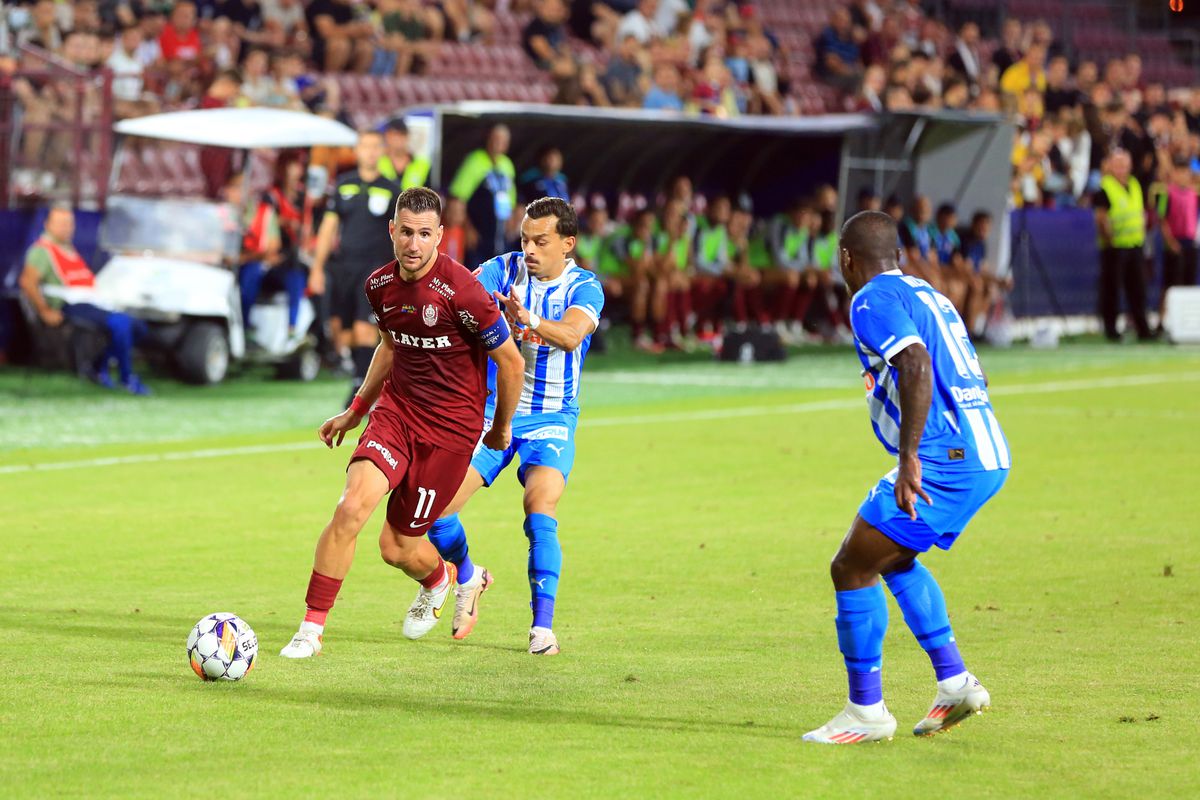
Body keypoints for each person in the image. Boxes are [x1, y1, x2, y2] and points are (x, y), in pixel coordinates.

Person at [279, 187, 525, 659]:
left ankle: (444, 578)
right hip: (397, 414)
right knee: (351, 509)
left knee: (396, 547)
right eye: (406, 232)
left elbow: (511, 363)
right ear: (392, 232)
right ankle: (310, 630)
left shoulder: (465, 293)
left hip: (451, 433)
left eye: (425, 234)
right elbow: (390, 347)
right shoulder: (379, 285)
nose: (414, 243)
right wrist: (355, 411)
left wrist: (500, 429)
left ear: (440, 237)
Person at [804, 210, 1010, 745]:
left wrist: (912, 456)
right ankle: (955, 682)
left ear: (847, 258)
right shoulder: (928, 293)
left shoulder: (870, 300)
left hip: (946, 458)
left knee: (850, 566)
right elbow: (973, 370)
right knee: (893, 558)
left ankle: (865, 712)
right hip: (984, 449)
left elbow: (916, 364)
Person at [412, 197, 605, 656]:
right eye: (525, 239)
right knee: (435, 512)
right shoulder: (503, 269)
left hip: (552, 417)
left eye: (542, 241)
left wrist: (529, 320)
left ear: (568, 244)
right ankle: (468, 574)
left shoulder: (585, 287)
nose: (531, 249)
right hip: (494, 413)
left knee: (540, 508)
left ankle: (542, 628)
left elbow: (573, 334)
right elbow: (458, 295)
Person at [309, 130, 402, 403]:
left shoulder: (392, 189)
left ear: (382, 151)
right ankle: (367, 373)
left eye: (376, 147)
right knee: (341, 331)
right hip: (344, 267)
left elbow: (400, 233)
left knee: (364, 327)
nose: (370, 152)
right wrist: (317, 267)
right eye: (365, 146)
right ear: (357, 151)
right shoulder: (342, 185)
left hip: (375, 268)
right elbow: (328, 228)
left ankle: (361, 388)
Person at [18, 205, 151, 395]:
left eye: (69, 224)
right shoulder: (42, 251)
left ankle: (97, 367)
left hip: (91, 301)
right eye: (61, 224)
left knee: (138, 327)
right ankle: (126, 378)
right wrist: (45, 310)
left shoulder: (68, 248)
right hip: (70, 305)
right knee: (122, 324)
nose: (66, 228)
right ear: (48, 225)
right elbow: (27, 282)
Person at [1093, 149, 1153, 341]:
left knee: (1138, 289)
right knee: (1112, 289)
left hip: (1135, 244)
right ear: (1110, 166)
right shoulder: (1105, 188)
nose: (1121, 169)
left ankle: (1143, 328)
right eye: (1117, 164)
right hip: (1115, 247)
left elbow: (1140, 211)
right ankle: (1111, 330)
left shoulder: (1135, 184)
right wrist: (1109, 239)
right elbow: (1101, 218)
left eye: (1124, 164)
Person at [449, 124, 518, 270]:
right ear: (488, 139)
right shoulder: (475, 160)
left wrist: (511, 222)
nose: (498, 143)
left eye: (502, 140)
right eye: (495, 138)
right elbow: (458, 197)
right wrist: (468, 228)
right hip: (478, 233)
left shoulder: (507, 165)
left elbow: (510, 200)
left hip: (499, 235)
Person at [1155, 158, 1198, 331]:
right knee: (1170, 284)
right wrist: (1170, 241)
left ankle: (1188, 324)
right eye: (1179, 172)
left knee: (1189, 284)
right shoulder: (1167, 193)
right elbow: (1162, 218)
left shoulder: (1193, 194)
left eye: (1186, 173)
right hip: (1174, 243)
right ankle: (1161, 320)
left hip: (1190, 242)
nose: (1183, 176)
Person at [376, 117, 431, 189]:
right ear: (386, 136)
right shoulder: (376, 161)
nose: (398, 139)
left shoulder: (423, 164)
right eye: (394, 134)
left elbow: (430, 193)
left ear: (407, 136)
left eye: (401, 134)